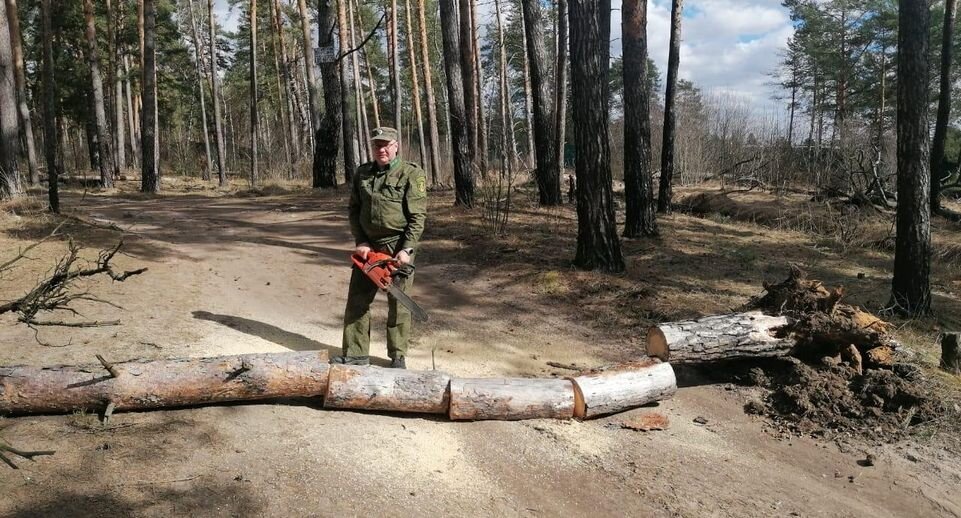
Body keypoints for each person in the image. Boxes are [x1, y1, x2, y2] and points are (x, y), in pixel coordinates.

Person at [333, 127, 428, 369]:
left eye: (386, 144)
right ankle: (355, 354)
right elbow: (354, 210)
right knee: (357, 301)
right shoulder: (363, 173)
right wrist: (361, 241)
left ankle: (397, 357)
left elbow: (417, 218)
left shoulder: (410, 174)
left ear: (396, 146)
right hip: (369, 250)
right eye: (377, 145)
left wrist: (407, 250)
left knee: (399, 305)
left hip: (397, 250)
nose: (381, 149)